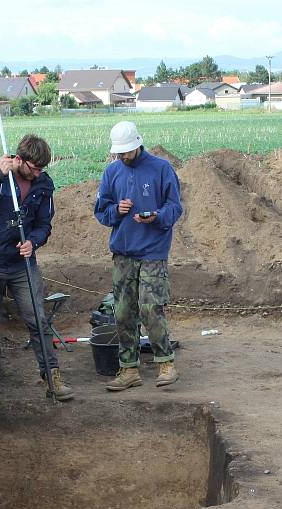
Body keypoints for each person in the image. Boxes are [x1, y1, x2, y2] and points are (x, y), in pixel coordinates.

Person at [0, 134, 73, 401]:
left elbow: (44, 224)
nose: (38, 174)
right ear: (19, 160)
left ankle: (51, 374)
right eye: (34, 168)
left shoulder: (44, 184)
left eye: (42, 169)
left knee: (37, 318)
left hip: (22, 264)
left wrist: (33, 242)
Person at [94, 121, 183, 391]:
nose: (122, 156)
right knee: (122, 312)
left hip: (153, 251)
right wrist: (116, 211)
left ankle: (166, 363)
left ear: (137, 144)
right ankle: (129, 369)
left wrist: (157, 217)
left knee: (150, 307)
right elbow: (101, 210)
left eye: (126, 152)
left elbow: (175, 207)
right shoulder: (112, 173)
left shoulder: (161, 169)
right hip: (123, 252)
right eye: (118, 153)